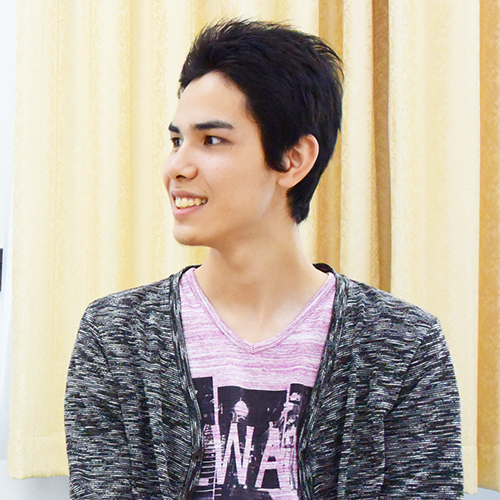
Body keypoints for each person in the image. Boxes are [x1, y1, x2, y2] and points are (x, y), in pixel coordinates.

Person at [64, 19, 463, 499]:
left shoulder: (403, 346)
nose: (176, 167)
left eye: (212, 140)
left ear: (293, 159)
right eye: (176, 141)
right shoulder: (116, 337)